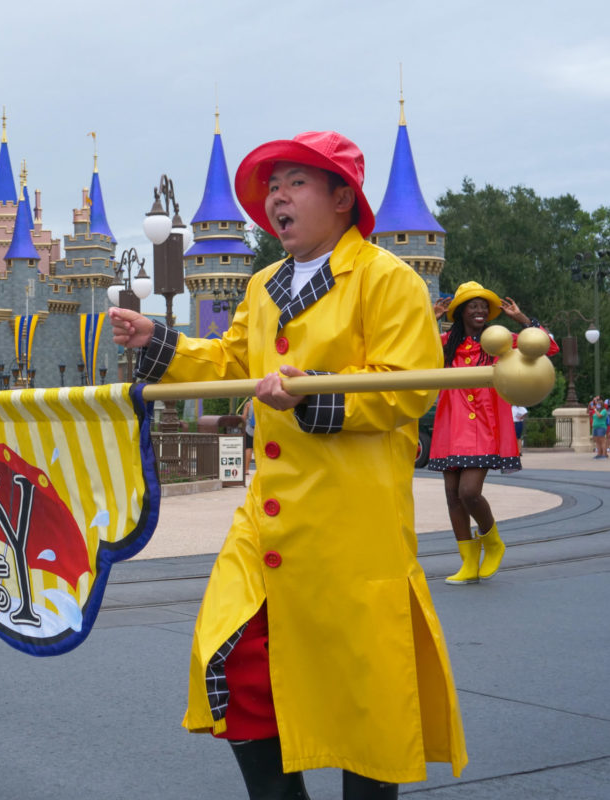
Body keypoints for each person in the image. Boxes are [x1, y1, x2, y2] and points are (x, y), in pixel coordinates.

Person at [110, 131, 466, 797]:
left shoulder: (388, 279)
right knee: (233, 656)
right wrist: (161, 340)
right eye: (272, 186)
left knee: (364, 692)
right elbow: (231, 360)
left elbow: (406, 387)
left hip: (351, 522)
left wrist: (312, 392)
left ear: (341, 197)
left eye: (295, 183)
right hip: (269, 519)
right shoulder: (264, 284)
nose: (278, 197)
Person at [426, 283, 557, 584]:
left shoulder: (502, 341)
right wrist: (430, 319)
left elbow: (548, 347)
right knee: (452, 496)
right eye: (473, 306)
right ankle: (469, 562)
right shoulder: (446, 343)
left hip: (485, 425)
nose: (480, 311)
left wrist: (522, 319)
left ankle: (493, 541)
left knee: (469, 492)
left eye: (484, 306)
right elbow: (413, 350)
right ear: (461, 312)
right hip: (452, 424)